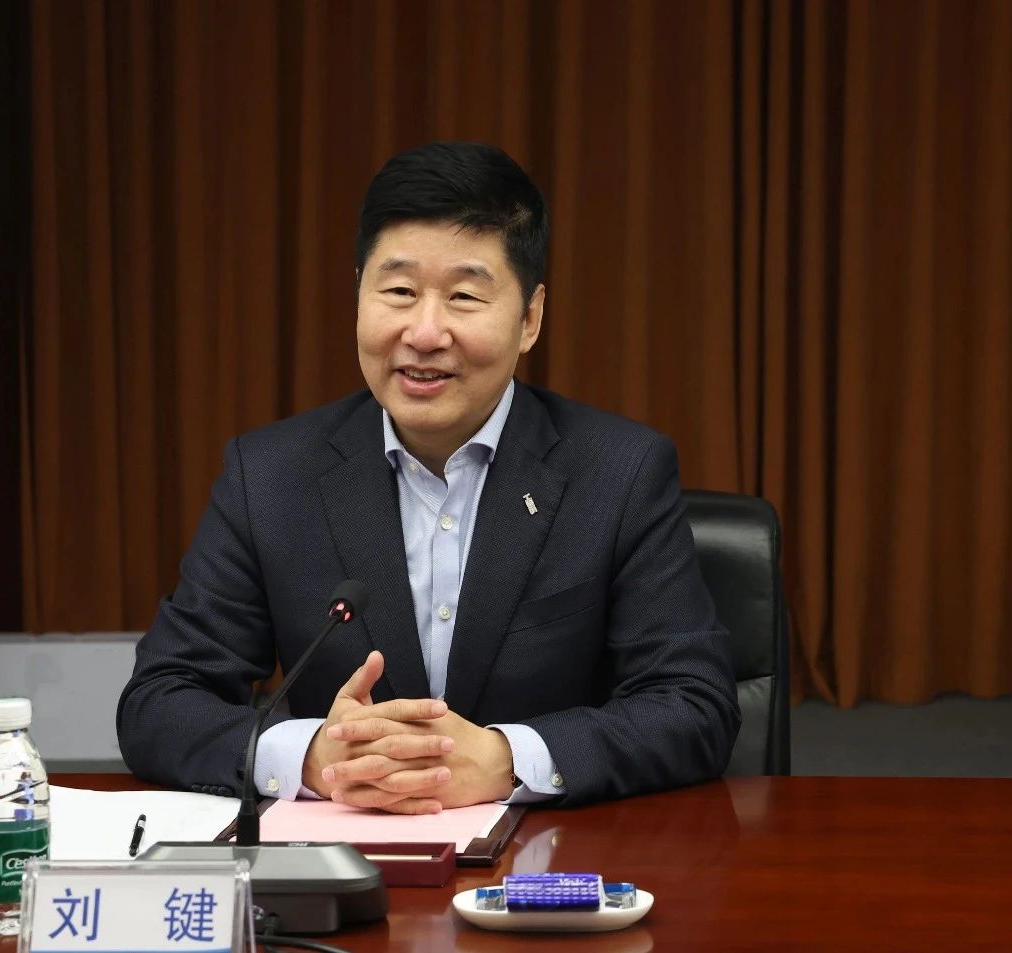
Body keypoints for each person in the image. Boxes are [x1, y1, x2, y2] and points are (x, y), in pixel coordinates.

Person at [117, 141, 740, 812]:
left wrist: (508, 759)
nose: (424, 332)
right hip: (345, 851)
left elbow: (693, 703)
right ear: (359, 293)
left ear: (530, 318)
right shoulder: (271, 475)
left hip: (551, 858)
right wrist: (309, 755)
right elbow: (160, 700)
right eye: (399, 292)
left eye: (464, 296)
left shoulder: (618, 472)